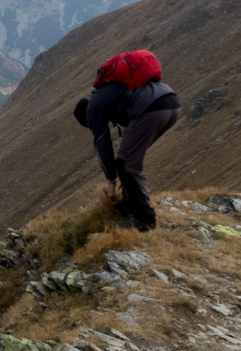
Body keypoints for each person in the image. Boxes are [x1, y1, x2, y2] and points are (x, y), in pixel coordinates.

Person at [72, 49, 180, 231]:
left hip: (151, 109)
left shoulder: (94, 108)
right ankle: (128, 205)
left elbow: (102, 142)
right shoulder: (108, 92)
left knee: (127, 164)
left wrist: (111, 179)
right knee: (128, 162)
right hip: (171, 104)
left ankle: (145, 220)